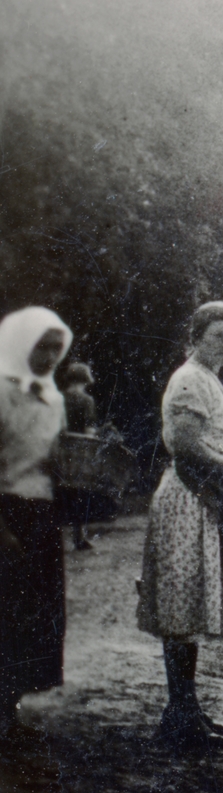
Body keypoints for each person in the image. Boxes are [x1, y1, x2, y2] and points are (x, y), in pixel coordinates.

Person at [136, 301, 223, 748]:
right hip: (188, 497)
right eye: (219, 335)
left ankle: (186, 710)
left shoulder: (207, 378)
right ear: (197, 335)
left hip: (204, 497)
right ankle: (180, 715)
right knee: (181, 603)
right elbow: (185, 444)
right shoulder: (190, 379)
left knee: (188, 604)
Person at [0, 307, 73, 742]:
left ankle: (10, 712)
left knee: (32, 614)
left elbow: (55, 460)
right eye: (41, 347)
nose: (48, 357)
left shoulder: (54, 399)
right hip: (5, 512)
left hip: (41, 516)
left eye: (56, 349)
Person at [56, 361, 99, 550]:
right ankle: (78, 536)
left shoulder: (59, 398)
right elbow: (89, 430)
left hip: (59, 449)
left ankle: (55, 538)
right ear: (84, 380)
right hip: (80, 452)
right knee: (79, 492)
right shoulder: (86, 401)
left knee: (58, 492)